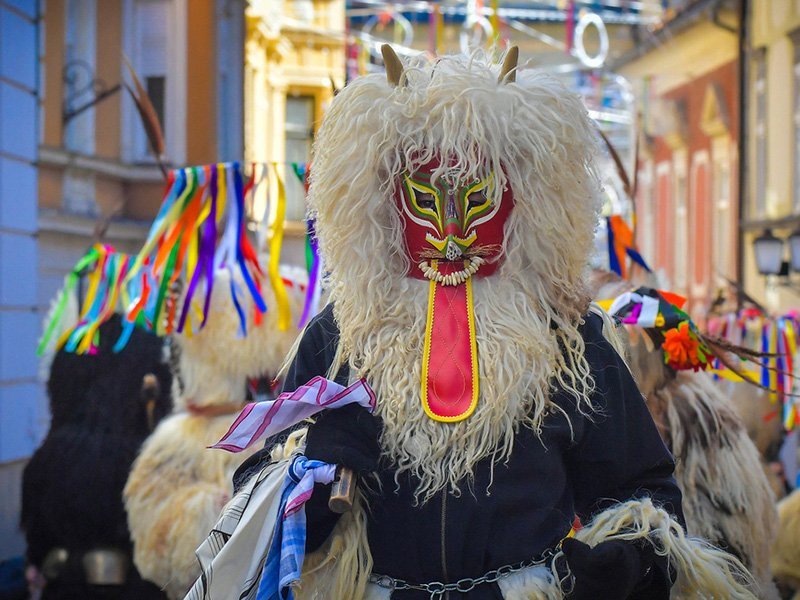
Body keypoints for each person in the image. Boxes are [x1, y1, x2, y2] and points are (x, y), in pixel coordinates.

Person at [193, 46, 755, 600]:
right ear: (382, 202)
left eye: (478, 197)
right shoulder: (337, 341)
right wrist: (310, 478)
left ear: (525, 198)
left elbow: (642, 487)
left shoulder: (572, 343)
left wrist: (626, 558)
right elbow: (258, 521)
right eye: (426, 201)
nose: (453, 232)